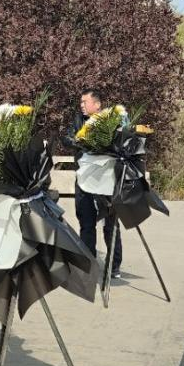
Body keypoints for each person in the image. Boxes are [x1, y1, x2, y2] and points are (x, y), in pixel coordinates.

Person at [70, 89, 123, 278]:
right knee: (86, 222)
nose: (82, 105)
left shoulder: (112, 121)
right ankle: (88, 264)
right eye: (81, 102)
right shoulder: (78, 120)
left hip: (106, 179)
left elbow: (120, 145)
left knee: (111, 223)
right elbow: (69, 139)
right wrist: (80, 142)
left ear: (97, 104)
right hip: (84, 179)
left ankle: (114, 265)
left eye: (85, 102)